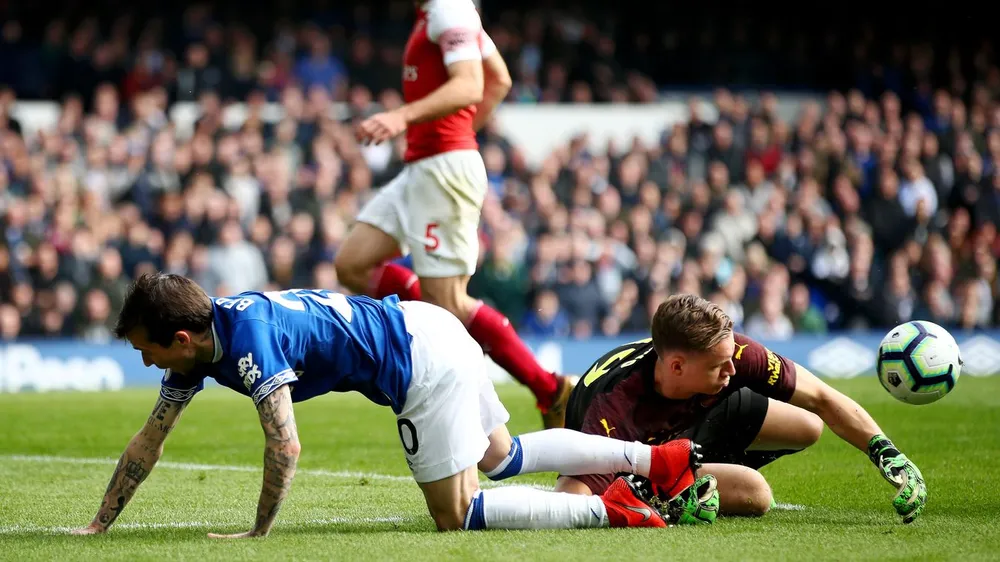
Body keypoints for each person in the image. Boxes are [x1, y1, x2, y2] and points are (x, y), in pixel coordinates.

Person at [70, 273, 704, 537]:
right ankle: (654, 462)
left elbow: (286, 446)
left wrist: (257, 532)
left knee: (457, 514)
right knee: (501, 455)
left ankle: (607, 509)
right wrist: (101, 522)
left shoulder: (248, 346)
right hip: (430, 325)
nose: (147, 363)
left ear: (180, 339)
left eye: (147, 351)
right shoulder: (208, 338)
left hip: (418, 363)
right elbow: (150, 439)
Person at [335, 0, 575, 429]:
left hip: (443, 171)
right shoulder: (439, 12)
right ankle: (434, 331)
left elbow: (470, 86)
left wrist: (401, 117)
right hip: (421, 169)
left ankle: (550, 389)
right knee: (353, 264)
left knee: (449, 302)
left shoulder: (448, 7)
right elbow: (498, 80)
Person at [555, 293, 927, 524]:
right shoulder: (613, 412)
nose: (734, 371)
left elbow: (823, 398)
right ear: (677, 366)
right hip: (637, 450)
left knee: (808, 426)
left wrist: (885, 451)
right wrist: (651, 504)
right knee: (756, 493)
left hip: (693, 413)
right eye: (720, 366)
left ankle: (691, 467)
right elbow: (569, 498)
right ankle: (667, 487)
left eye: (731, 357)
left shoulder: (733, 354)